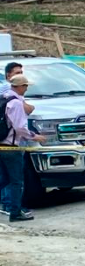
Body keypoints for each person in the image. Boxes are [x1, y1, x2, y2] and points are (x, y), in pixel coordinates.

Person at [2, 75, 47, 222]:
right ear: (20, 86)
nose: (27, 89)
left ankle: (14, 209)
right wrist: (34, 136)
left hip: (1, 144)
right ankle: (15, 212)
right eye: (26, 86)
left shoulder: (3, 98)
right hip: (12, 146)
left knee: (4, 179)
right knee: (16, 181)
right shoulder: (15, 104)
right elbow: (20, 127)